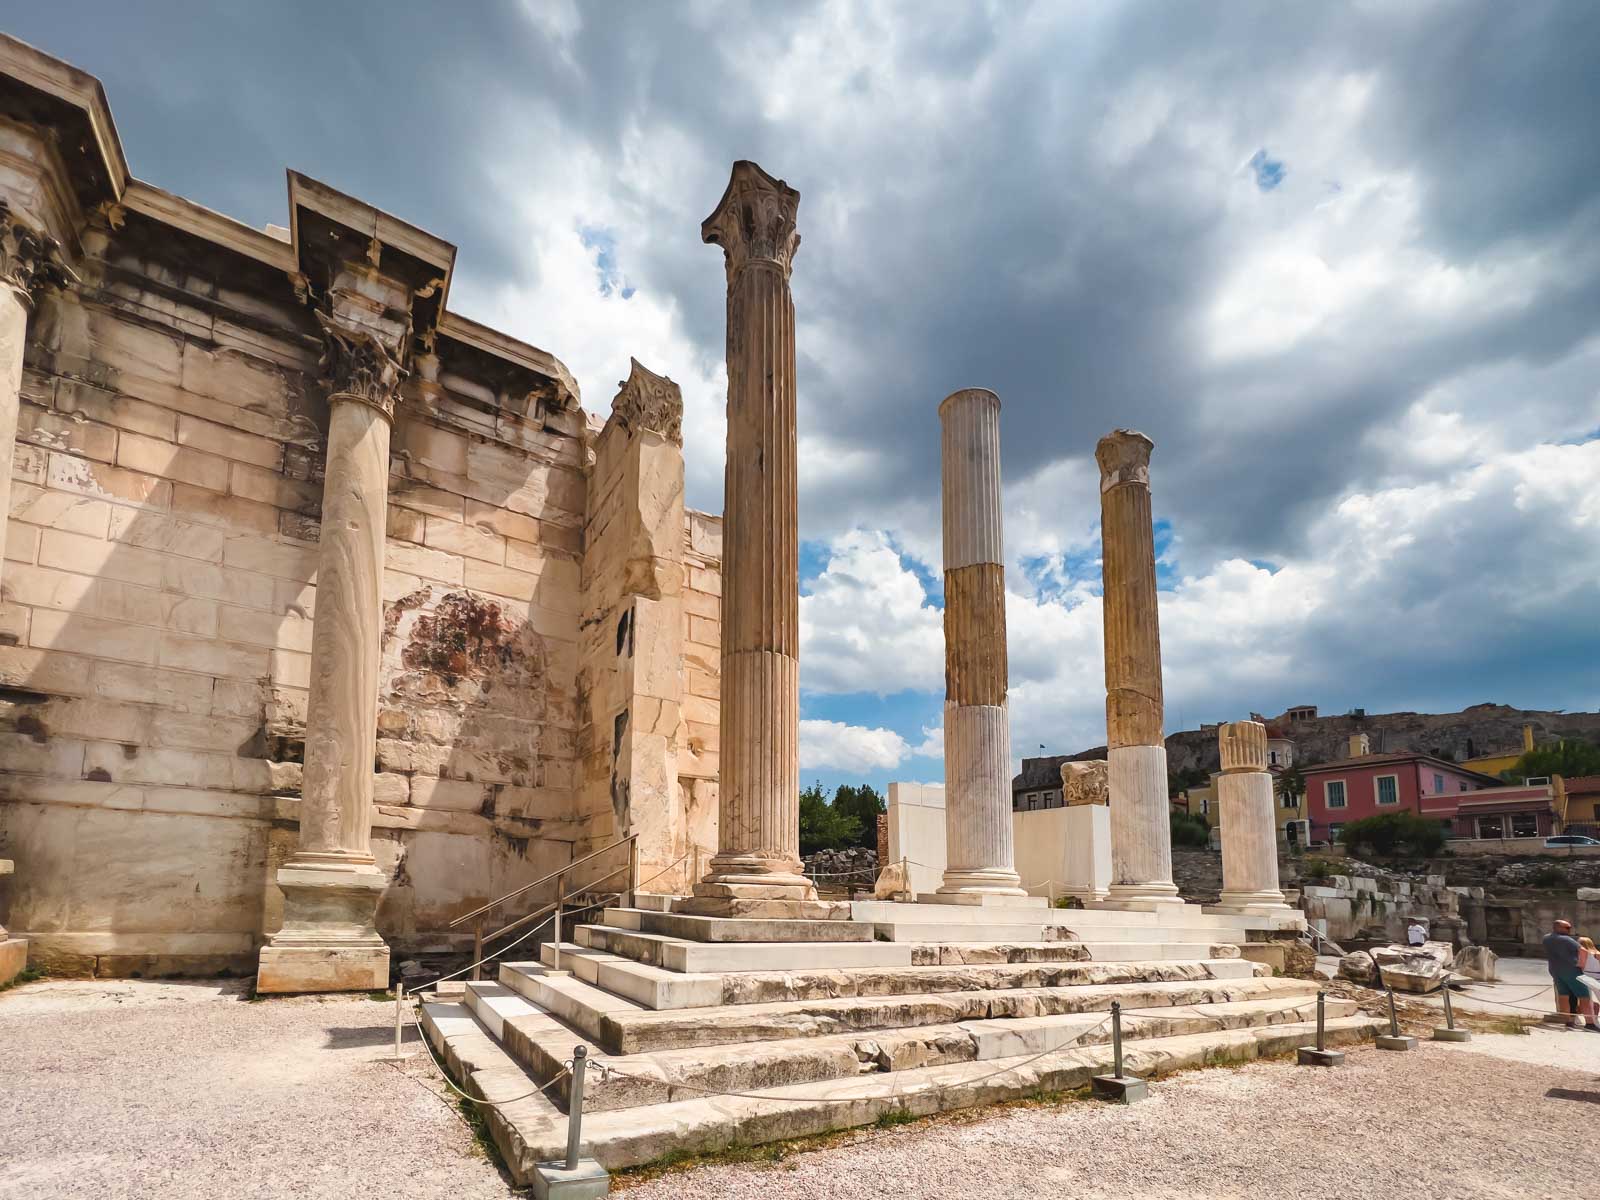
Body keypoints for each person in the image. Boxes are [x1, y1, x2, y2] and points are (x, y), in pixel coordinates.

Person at [1544, 919, 1599, 1030]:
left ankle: (1568, 1021)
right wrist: (1581, 965)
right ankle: (1590, 1023)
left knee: (1564, 996)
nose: (1569, 930)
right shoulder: (1566, 939)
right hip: (1572, 970)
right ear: (1558, 927)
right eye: (1567, 928)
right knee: (1584, 996)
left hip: (1555, 970)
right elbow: (1583, 951)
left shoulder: (1546, 938)